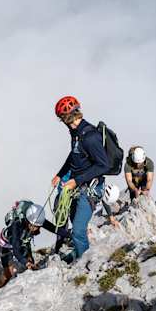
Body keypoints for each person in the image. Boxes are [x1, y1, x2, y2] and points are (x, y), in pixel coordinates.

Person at [50, 95, 110, 264]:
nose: (62, 122)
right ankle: (79, 253)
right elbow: (74, 155)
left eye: (62, 118)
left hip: (90, 188)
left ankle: (84, 264)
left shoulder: (90, 136)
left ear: (67, 117)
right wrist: (60, 174)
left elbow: (103, 165)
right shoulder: (76, 133)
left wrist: (76, 181)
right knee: (72, 220)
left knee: (77, 230)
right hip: (78, 185)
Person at [0, 202, 50, 287]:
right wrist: (26, 262)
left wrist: (71, 235)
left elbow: (53, 228)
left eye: (37, 226)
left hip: (21, 242)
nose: (34, 228)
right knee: (8, 273)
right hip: (5, 245)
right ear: (28, 221)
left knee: (30, 262)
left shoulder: (35, 220)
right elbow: (16, 250)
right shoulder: (16, 226)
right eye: (33, 226)